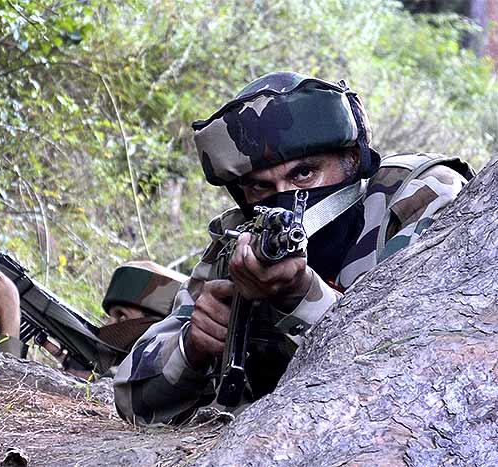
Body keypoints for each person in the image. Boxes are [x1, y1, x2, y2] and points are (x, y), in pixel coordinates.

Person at [112, 72, 474, 425]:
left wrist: (300, 295)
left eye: (304, 174)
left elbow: (419, 368)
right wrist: (192, 347)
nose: (285, 199)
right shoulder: (239, 240)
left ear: (352, 161)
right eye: (261, 187)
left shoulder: (419, 200)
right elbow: (131, 398)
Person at [0, 257, 187, 378]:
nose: (108, 327)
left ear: (157, 329)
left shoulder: (138, 389)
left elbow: (1, 397)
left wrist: (10, 317)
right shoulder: (105, 377)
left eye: (122, 317)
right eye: (109, 316)